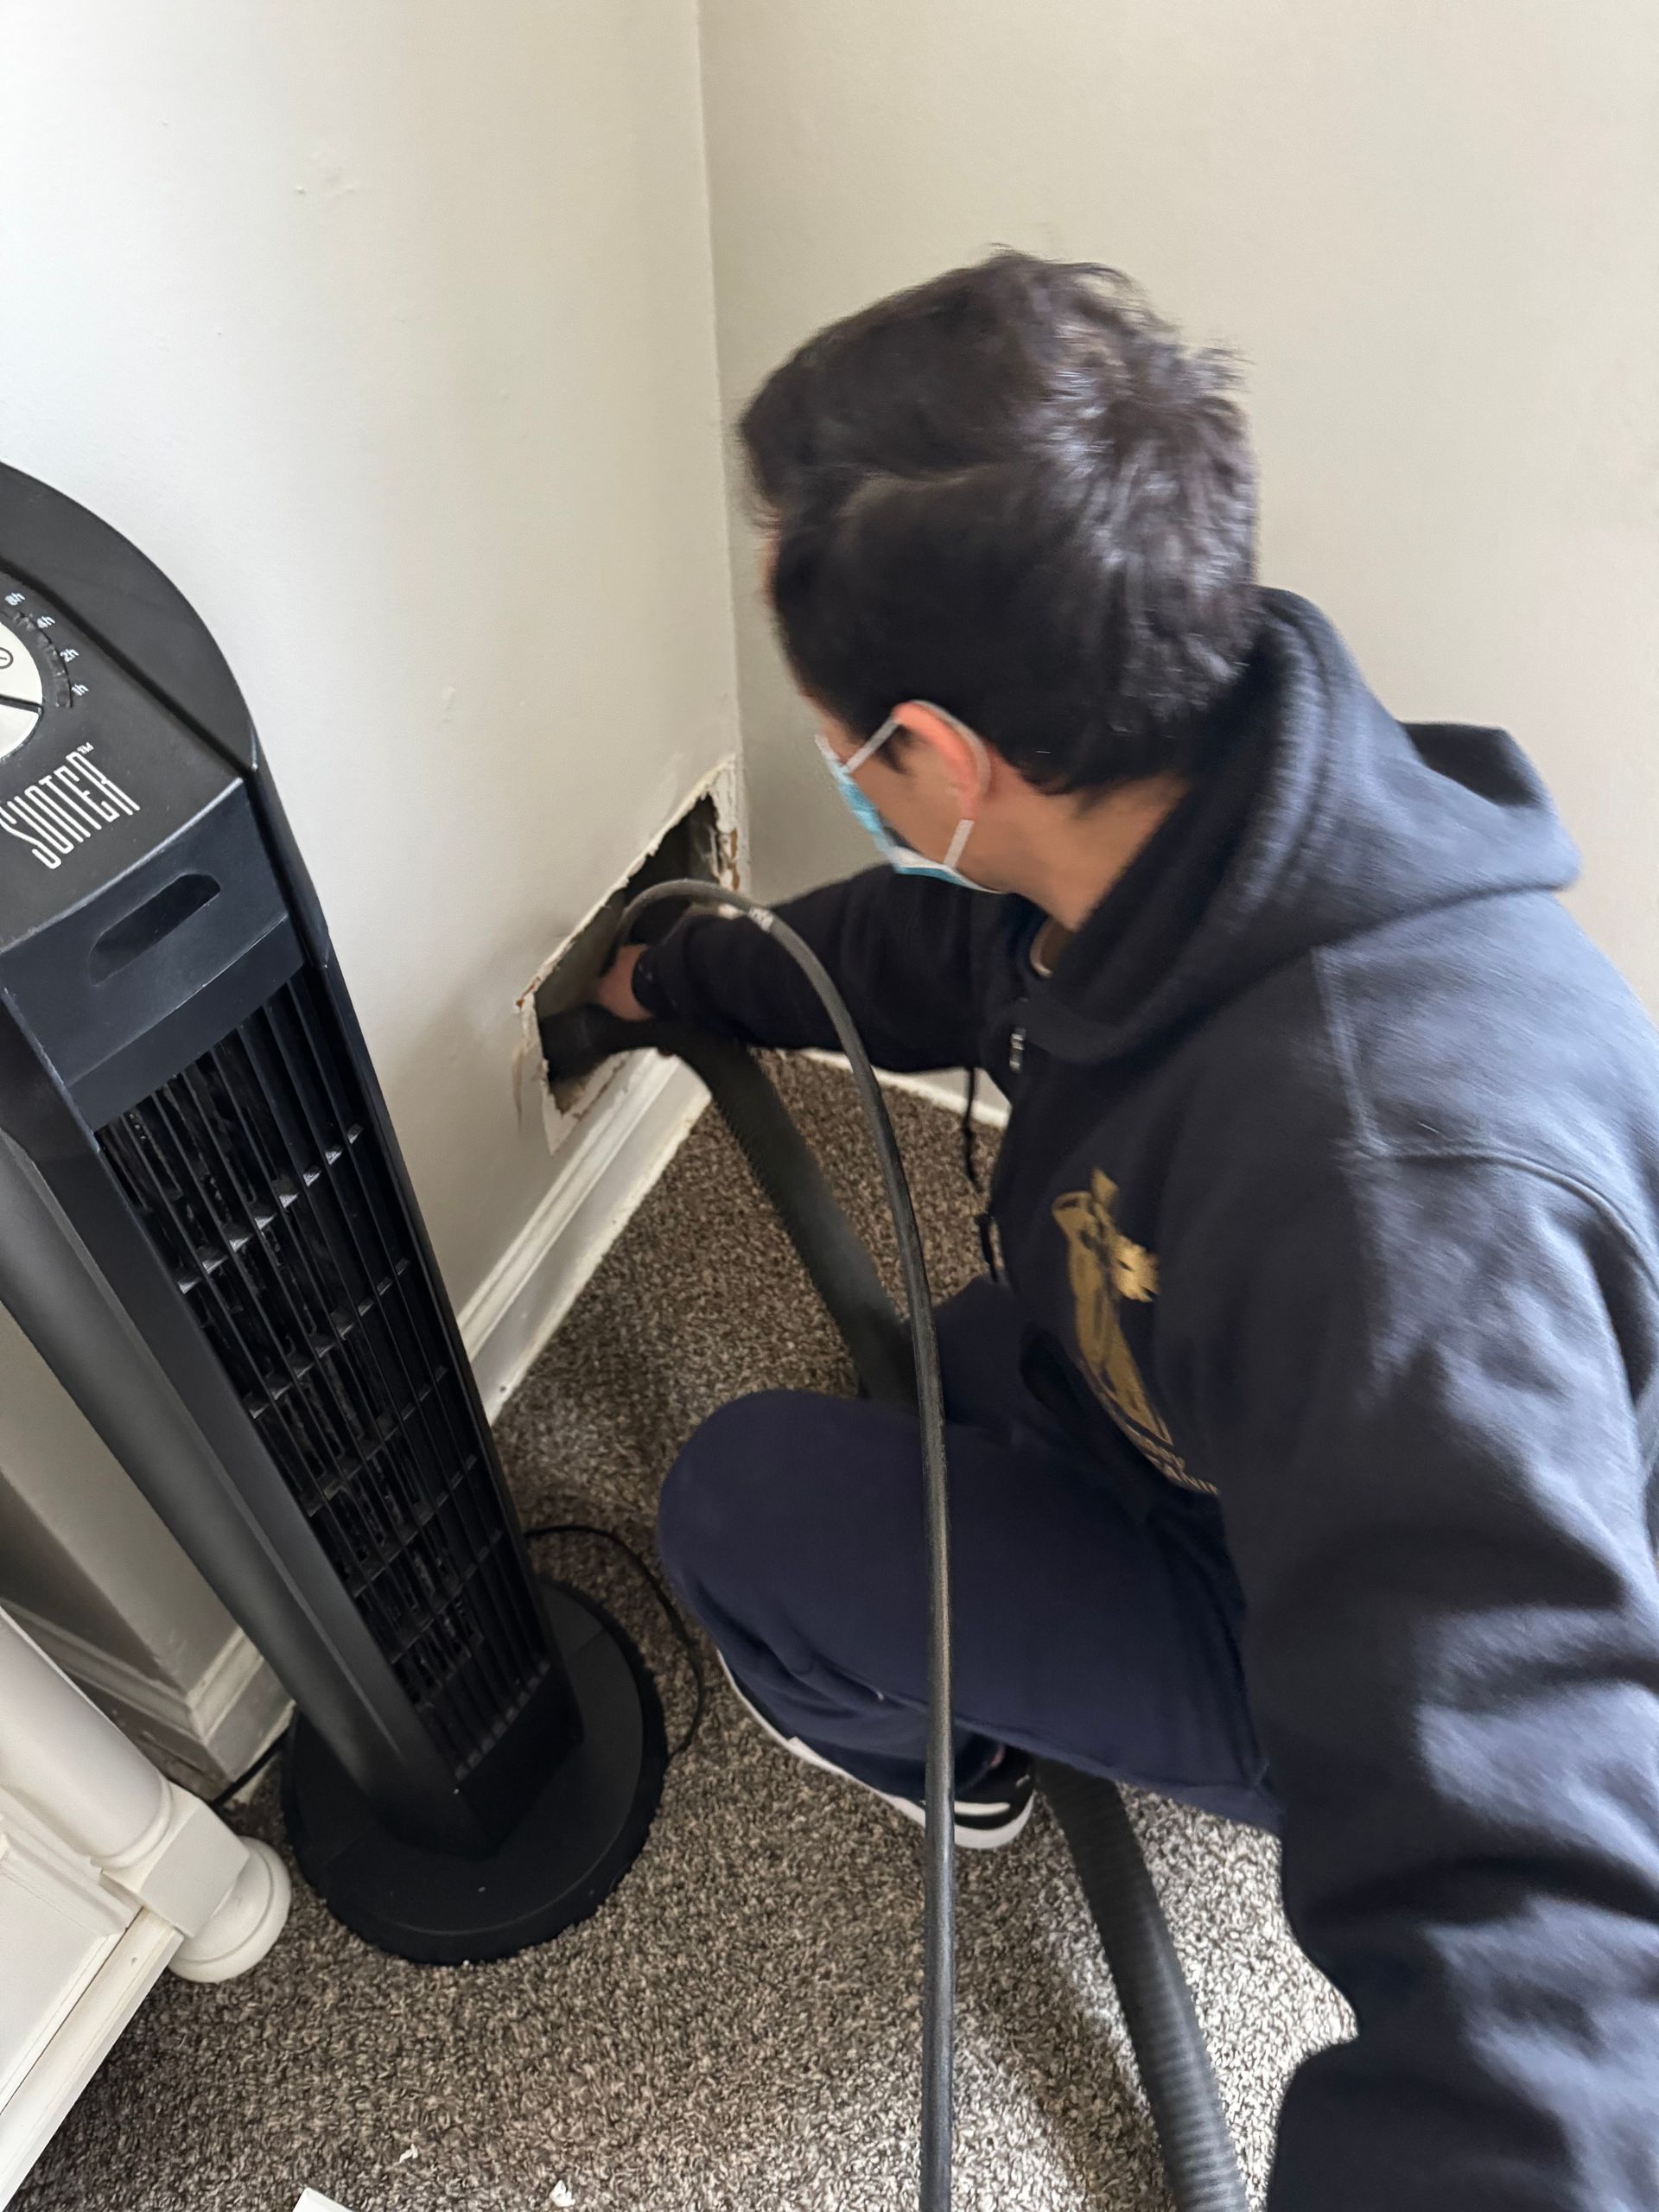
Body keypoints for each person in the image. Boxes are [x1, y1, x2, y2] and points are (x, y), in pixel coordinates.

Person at [592, 252, 1659, 2209]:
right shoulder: (1200, 797)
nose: (825, 750)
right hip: (1184, 1396)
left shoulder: (1393, 1200)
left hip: (1317, 1621)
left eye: (834, 726)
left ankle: (969, 1763)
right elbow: (953, 946)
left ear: (941, 753)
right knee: (961, 1366)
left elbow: (1546, 1942)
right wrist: (688, 976)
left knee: (746, 1507)